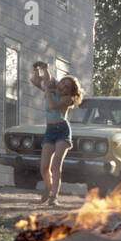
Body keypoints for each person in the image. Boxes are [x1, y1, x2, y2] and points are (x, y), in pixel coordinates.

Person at [30, 62, 83, 206]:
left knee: (56, 165)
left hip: (62, 131)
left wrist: (47, 91)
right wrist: (37, 70)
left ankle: (54, 196)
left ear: (71, 91)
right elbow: (35, 81)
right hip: (50, 130)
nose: (62, 87)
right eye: (62, 83)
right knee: (44, 167)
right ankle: (48, 187)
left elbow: (53, 106)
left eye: (67, 87)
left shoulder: (67, 99)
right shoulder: (52, 91)